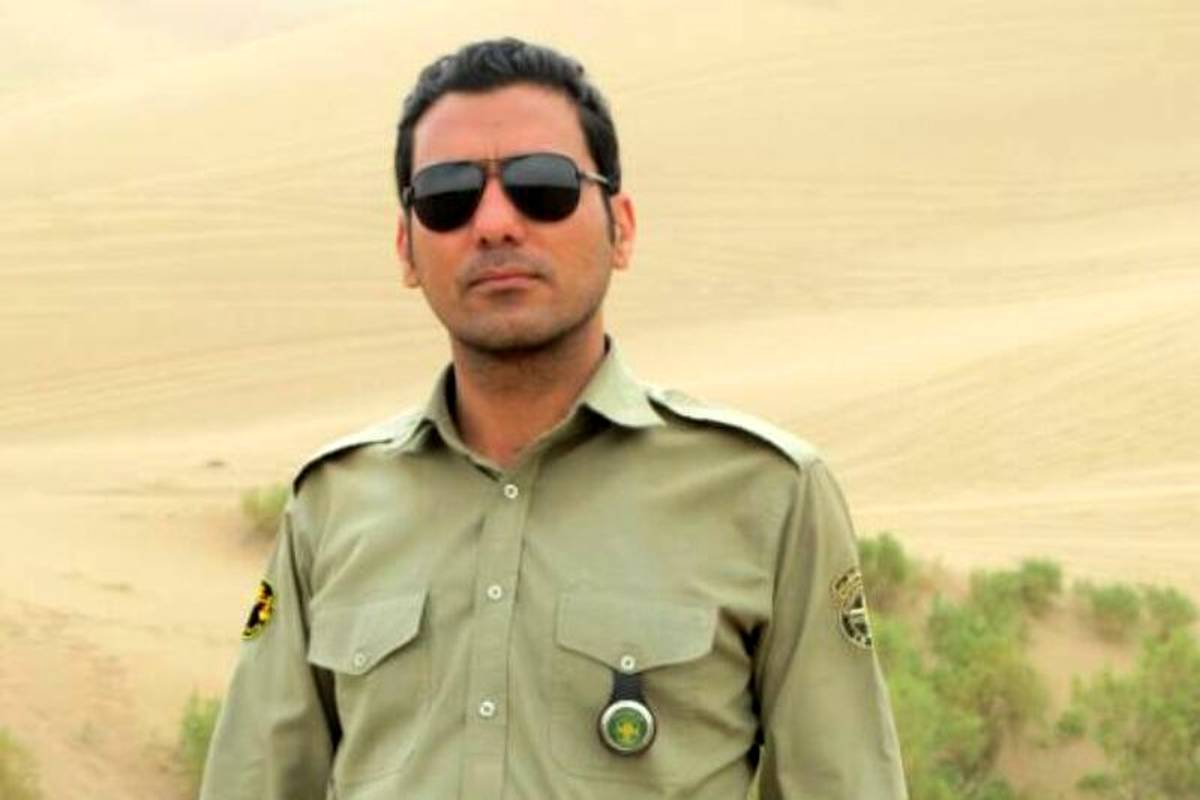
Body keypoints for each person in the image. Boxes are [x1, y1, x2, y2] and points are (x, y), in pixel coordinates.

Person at [200, 37, 907, 800]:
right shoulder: (333, 505)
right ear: (406, 248)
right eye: (447, 197)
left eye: (543, 186)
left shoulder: (767, 494)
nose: (495, 223)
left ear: (621, 228)